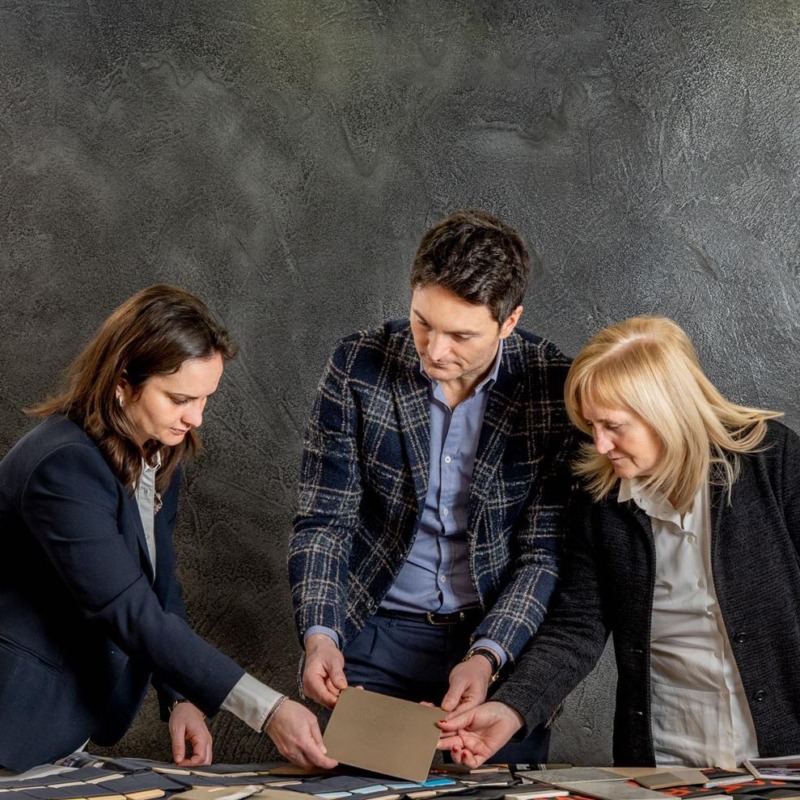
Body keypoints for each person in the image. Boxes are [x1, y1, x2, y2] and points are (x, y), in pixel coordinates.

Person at [0, 285, 337, 774]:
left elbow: (160, 587)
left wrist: (182, 696)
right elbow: (130, 609)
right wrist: (267, 710)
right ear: (123, 380)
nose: (195, 417)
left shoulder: (154, 451)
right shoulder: (63, 467)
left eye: (204, 399)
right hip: (14, 723)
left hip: (62, 729)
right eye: (180, 399)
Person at [439, 315, 800, 768]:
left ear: (666, 410)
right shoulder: (601, 498)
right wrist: (512, 708)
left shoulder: (773, 460)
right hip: (664, 757)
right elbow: (577, 627)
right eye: (591, 426)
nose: (600, 445)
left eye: (613, 426)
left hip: (782, 755)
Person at [288, 210, 578, 762]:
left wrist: (488, 654)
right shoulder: (357, 364)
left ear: (509, 322)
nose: (435, 350)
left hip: (501, 639)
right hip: (374, 635)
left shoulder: (551, 387)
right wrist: (320, 633)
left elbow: (542, 554)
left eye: (461, 335)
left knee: (496, 794)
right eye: (423, 322)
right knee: (361, 792)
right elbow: (325, 522)